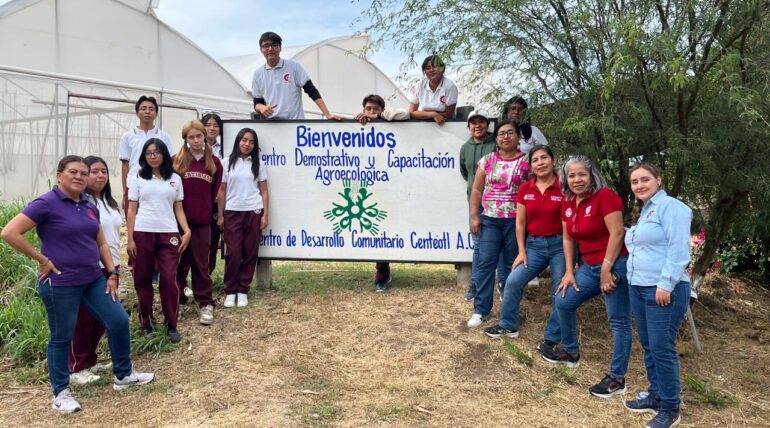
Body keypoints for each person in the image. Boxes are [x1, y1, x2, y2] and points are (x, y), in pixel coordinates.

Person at [1, 156, 154, 414]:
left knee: (118, 320)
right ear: (59, 174)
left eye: (84, 173)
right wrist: (42, 260)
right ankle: (61, 393)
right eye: (73, 172)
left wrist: (112, 273)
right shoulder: (46, 203)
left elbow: (101, 242)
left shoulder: (87, 203)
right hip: (60, 283)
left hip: (93, 280)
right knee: (61, 337)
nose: (79, 177)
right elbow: (9, 232)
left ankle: (123, 375)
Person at [548, 155, 632, 399]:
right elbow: (568, 238)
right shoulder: (567, 201)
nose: (577, 180)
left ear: (591, 175)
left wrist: (607, 269)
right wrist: (568, 271)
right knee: (563, 301)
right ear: (565, 179)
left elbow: (617, 233)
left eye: (582, 174)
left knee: (618, 320)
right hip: (590, 266)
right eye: (572, 175)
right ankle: (571, 352)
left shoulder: (605, 197)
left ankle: (617, 379)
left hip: (616, 264)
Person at [623, 163, 692, 428]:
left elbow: (679, 249)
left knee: (662, 347)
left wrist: (666, 283)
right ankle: (656, 395)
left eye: (645, 179)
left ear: (658, 180)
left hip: (662, 289)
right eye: (635, 181)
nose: (639, 185)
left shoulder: (671, 207)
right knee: (650, 345)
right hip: (639, 286)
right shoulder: (646, 211)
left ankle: (671, 408)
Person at [484, 145, 565, 348]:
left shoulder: (564, 187)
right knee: (513, 281)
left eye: (544, 158)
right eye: (535, 160)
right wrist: (521, 251)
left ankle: (552, 337)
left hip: (560, 245)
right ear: (531, 166)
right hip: (534, 245)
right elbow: (520, 223)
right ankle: (508, 325)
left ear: (553, 160)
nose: (540, 163)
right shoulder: (526, 188)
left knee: (560, 289)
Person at [126, 139, 191, 343]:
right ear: (144, 156)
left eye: (156, 152)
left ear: (164, 154)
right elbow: (132, 209)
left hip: (168, 233)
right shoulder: (137, 177)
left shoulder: (175, 179)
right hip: (143, 232)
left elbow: (178, 208)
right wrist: (130, 238)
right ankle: (147, 323)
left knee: (169, 278)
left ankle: (171, 324)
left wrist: (186, 230)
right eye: (148, 153)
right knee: (142, 279)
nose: (152, 156)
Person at [467, 120, 530, 328]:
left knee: (512, 265)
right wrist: (474, 216)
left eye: (510, 133)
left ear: (518, 137)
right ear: (496, 139)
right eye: (502, 133)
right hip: (490, 219)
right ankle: (481, 310)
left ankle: (510, 311)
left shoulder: (527, 161)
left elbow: (532, 192)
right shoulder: (487, 160)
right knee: (486, 263)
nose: (506, 137)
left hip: (515, 221)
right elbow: (477, 190)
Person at [68, 156, 122, 385]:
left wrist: (114, 269)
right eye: (94, 171)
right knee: (84, 319)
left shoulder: (108, 202)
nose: (100, 175)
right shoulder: (81, 202)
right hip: (91, 267)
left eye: (104, 171)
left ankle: (90, 360)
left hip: (112, 266)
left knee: (101, 319)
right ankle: (76, 367)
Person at [173, 120, 223, 325]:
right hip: (178, 223)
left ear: (204, 137)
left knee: (201, 265)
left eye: (198, 136)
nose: (195, 140)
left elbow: (213, 192)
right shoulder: (177, 161)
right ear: (185, 139)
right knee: (177, 264)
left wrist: (204, 211)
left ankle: (206, 303)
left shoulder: (214, 162)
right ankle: (176, 302)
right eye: (191, 137)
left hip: (202, 223)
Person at [217, 128, 269, 308]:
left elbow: (264, 191)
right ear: (238, 141)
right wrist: (221, 214)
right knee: (233, 253)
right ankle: (230, 291)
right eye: (244, 140)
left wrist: (265, 215)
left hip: (253, 211)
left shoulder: (258, 164)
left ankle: (243, 291)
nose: (247, 144)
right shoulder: (226, 162)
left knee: (250, 252)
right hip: (232, 211)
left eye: (251, 142)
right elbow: (221, 190)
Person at [252, 32, 340, 120]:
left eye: (274, 45)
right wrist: (261, 107)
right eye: (266, 46)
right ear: (261, 49)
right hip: (271, 124)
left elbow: (311, 90)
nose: (270, 49)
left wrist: (327, 114)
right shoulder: (258, 75)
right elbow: (257, 102)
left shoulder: (294, 67)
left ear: (280, 48)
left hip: (295, 123)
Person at [458, 109, 498, 301]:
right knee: (478, 246)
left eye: (481, 121)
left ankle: (501, 285)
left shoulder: (496, 143)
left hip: (496, 201)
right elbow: (465, 172)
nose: (477, 125)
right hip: (475, 202)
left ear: (487, 124)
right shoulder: (465, 147)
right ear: (469, 127)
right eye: (473, 122)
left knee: (499, 245)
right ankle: (475, 285)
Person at [356, 94, 392, 292]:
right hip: (365, 188)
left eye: (375, 109)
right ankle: (382, 273)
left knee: (386, 228)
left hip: (388, 187)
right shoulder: (355, 127)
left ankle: (384, 273)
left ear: (382, 111)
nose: (370, 112)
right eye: (368, 109)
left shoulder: (390, 125)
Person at [119, 95, 174, 213]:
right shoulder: (128, 136)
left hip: (158, 185)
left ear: (156, 113)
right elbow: (125, 165)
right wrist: (124, 192)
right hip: (133, 185)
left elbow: (170, 162)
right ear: (137, 113)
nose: (147, 112)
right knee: (132, 219)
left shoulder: (164, 136)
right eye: (143, 109)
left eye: (151, 109)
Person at [202, 113, 225, 275]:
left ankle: (207, 276)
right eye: (208, 125)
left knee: (213, 241)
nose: (212, 128)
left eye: (215, 125)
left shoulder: (224, 149)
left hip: (218, 201)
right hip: (199, 201)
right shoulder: (194, 149)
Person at [408, 55, 458, 125]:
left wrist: (424, 114)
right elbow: (412, 112)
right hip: (425, 124)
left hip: (446, 125)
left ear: (442, 68)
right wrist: (433, 115)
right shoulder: (420, 85)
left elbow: (449, 114)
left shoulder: (449, 86)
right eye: (428, 68)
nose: (431, 70)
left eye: (435, 66)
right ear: (424, 71)